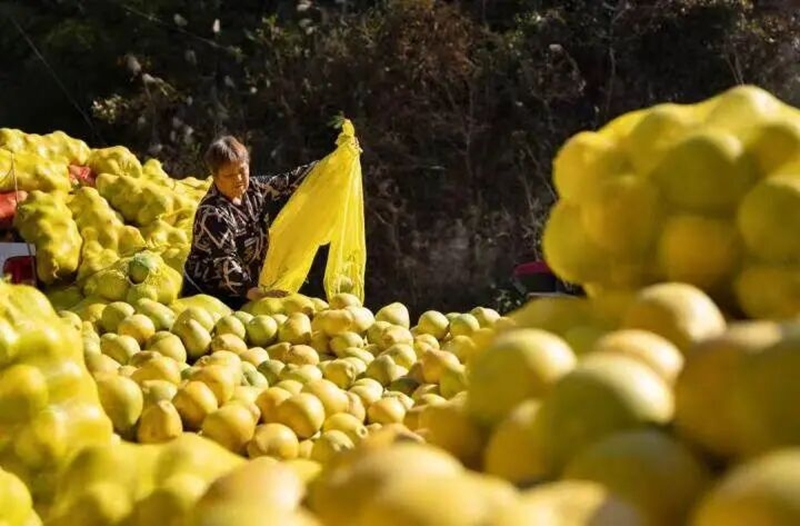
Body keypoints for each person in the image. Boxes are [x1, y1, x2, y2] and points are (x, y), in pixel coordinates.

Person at [182, 136, 317, 310]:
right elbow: (226, 263)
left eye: (242, 170)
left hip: (246, 288)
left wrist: (329, 164)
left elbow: (287, 181)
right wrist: (260, 295)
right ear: (215, 177)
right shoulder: (213, 213)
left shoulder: (254, 189)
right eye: (229, 175)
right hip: (210, 295)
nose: (238, 178)